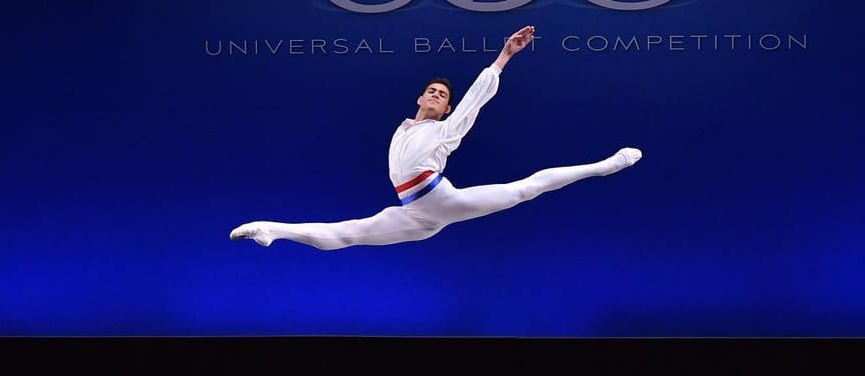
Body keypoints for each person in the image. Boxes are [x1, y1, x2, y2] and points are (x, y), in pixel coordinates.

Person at [230, 25, 641, 250]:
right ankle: (273, 229)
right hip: (413, 214)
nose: (436, 94)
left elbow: (477, 98)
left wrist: (505, 56)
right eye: (432, 90)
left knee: (524, 189)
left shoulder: (447, 130)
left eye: (443, 95)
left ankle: (607, 165)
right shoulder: (403, 128)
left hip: (444, 200)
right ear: (419, 97)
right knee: (348, 233)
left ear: (446, 109)